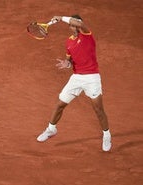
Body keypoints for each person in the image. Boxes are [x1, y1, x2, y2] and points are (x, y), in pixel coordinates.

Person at [36, 15, 112, 151]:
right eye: (72, 25)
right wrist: (67, 64)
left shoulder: (87, 35)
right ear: (70, 28)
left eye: (76, 24)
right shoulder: (69, 42)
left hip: (92, 78)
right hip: (76, 78)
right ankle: (51, 129)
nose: (74, 26)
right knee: (60, 104)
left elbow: (77, 22)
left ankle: (106, 134)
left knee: (98, 110)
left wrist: (60, 17)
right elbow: (70, 61)